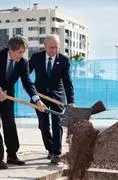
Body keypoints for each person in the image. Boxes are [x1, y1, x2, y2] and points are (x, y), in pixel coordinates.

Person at [0, 36, 45, 169]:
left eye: (23, 52)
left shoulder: (22, 63)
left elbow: (28, 83)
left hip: (7, 95)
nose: (21, 55)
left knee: (10, 122)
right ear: (11, 50)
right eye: (19, 52)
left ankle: (12, 155)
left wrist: (37, 100)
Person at [29, 35, 75, 164]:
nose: (54, 50)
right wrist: (32, 92)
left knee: (57, 123)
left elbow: (67, 82)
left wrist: (71, 101)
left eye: (56, 47)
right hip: (40, 96)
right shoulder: (36, 58)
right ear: (45, 46)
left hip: (57, 96)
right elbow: (25, 74)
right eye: (51, 47)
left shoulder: (64, 60)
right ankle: (50, 148)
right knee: (43, 124)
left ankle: (56, 152)